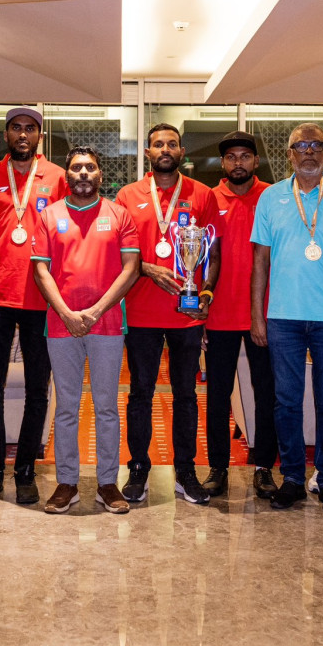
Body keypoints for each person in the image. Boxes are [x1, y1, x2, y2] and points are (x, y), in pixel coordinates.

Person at [251, 123, 323, 515]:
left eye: (317, 145)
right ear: (290, 154)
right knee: (286, 402)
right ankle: (293, 479)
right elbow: (260, 261)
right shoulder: (270, 198)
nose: (309, 152)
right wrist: (258, 315)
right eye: (302, 145)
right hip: (283, 317)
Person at [115, 123, 221, 505]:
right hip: (141, 313)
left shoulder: (202, 194)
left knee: (186, 395)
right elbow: (118, 251)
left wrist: (206, 291)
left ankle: (186, 471)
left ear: (181, 152)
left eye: (171, 144)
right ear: (147, 153)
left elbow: (213, 253)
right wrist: (146, 268)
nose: (165, 149)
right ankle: (138, 468)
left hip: (186, 315)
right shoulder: (127, 195)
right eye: (158, 144)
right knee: (140, 394)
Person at [32, 146, 140, 515]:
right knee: (66, 407)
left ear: (99, 174)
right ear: (67, 175)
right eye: (76, 167)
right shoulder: (49, 215)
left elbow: (131, 268)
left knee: (106, 407)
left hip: (107, 324)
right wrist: (66, 313)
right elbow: (41, 270)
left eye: (89, 167)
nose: (83, 173)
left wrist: (94, 312)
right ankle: (67, 482)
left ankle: (108, 483)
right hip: (61, 325)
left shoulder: (119, 214)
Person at [0, 107, 68, 505]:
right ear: (6, 134)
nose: (23, 134)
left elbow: (64, 237)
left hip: (41, 298)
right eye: (16, 128)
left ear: (39, 136)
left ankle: (26, 468)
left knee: (37, 389)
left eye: (30, 128)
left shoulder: (58, 177)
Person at [203, 130, 279, 499]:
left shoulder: (273, 196)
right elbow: (201, 257)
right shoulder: (209, 198)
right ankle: (217, 467)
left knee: (267, 393)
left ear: (255, 161)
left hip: (264, 313)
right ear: (223, 163)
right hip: (219, 313)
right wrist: (199, 309)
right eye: (231, 157)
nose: (238, 163)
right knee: (217, 395)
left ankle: (264, 467)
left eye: (244, 156)